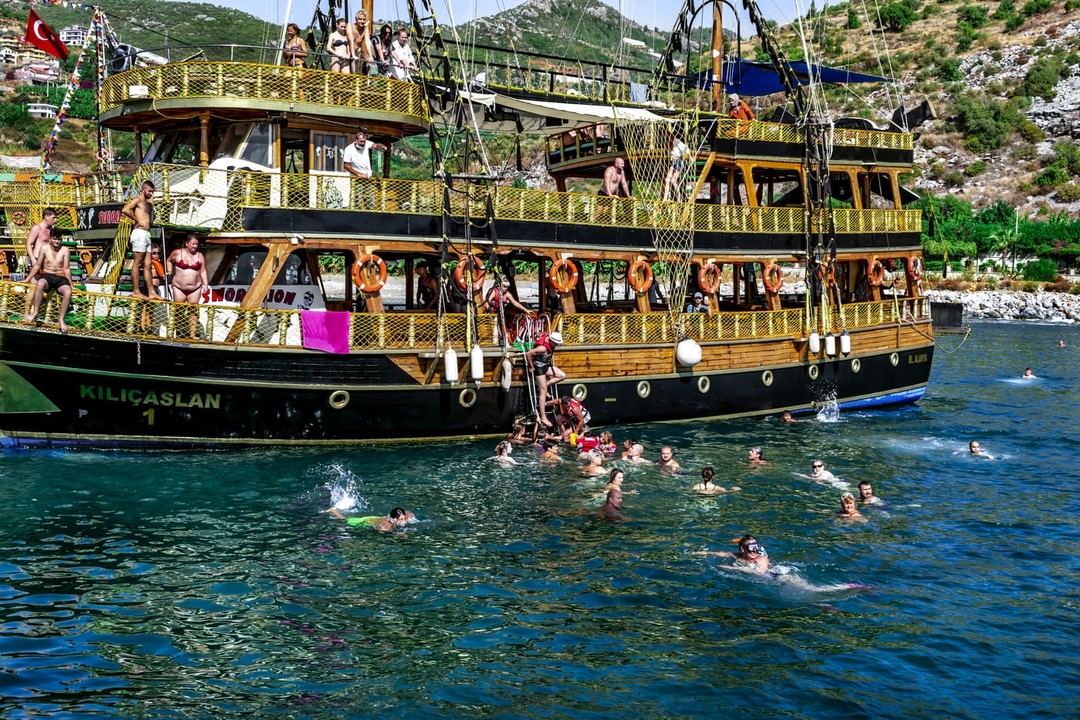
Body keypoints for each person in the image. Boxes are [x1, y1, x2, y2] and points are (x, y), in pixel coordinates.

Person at [23, 230, 73, 332]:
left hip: (60, 277)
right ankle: (35, 312)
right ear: (50, 239)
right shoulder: (44, 248)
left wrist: (71, 285)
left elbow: (66, 269)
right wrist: (27, 279)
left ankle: (61, 319)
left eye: (59, 239)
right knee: (40, 283)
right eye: (55, 239)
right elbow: (37, 265)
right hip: (48, 277)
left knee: (68, 292)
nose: (57, 241)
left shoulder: (65, 250)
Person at [167, 235, 209, 338]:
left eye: (196, 244)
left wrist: (206, 284)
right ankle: (177, 333)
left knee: (193, 310)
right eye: (193, 244)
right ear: (187, 243)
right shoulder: (177, 253)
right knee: (178, 310)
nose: (195, 246)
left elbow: (203, 271)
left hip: (195, 288)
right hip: (179, 287)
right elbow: (169, 260)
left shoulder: (200, 256)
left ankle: (192, 334)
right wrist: (169, 270)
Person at [121, 180, 155, 300]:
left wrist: (151, 198)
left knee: (148, 264)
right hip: (139, 233)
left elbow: (150, 205)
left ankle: (151, 292)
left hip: (146, 234)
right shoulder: (138, 200)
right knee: (137, 263)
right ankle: (136, 291)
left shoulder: (148, 203)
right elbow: (125, 210)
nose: (151, 193)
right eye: (149, 191)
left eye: (152, 191)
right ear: (143, 190)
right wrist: (137, 220)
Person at [524, 331, 565, 426]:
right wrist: (531, 366)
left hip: (545, 365)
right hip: (539, 368)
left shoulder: (547, 336)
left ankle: (544, 385)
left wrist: (538, 335)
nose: (557, 345)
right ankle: (543, 416)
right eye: (556, 343)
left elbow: (541, 333)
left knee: (562, 375)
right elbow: (528, 354)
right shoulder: (542, 349)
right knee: (543, 392)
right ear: (552, 341)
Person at [343, 130, 388, 208]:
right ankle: (356, 214)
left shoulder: (367, 143)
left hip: (368, 177)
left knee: (370, 200)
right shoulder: (349, 149)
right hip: (357, 179)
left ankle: (369, 213)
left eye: (364, 141)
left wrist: (381, 146)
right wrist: (358, 174)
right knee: (357, 200)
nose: (363, 143)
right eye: (361, 141)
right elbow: (346, 165)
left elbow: (375, 145)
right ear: (356, 140)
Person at [696, 534, 770, 574]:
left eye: (756, 547)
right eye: (751, 547)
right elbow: (725, 554)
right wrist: (705, 553)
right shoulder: (739, 556)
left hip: (773, 578)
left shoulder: (761, 559)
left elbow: (758, 572)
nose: (754, 551)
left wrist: (731, 568)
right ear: (742, 549)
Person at [329, 506, 415, 531]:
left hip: (375, 518)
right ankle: (333, 511)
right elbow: (381, 530)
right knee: (344, 520)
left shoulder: (402, 516)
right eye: (401, 520)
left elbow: (408, 513)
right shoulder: (387, 526)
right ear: (394, 519)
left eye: (403, 519)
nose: (403, 521)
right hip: (365, 521)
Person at [662, 135, 692, 201]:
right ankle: (665, 198)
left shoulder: (677, 142)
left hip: (679, 162)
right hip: (673, 162)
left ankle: (679, 198)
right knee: (667, 180)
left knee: (673, 181)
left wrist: (690, 157)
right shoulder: (669, 144)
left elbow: (686, 149)